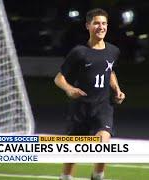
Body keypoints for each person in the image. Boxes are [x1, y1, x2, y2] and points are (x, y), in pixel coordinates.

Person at [54, 8, 126, 180]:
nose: (101, 27)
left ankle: (97, 175)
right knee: (74, 152)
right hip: (80, 109)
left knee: (103, 143)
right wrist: (69, 89)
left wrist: (117, 89)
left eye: (104, 23)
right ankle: (65, 177)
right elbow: (58, 78)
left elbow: (110, 72)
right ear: (88, 26)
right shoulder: (79, 52)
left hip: (103, 107)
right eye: (96, 23)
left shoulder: (113, 51)